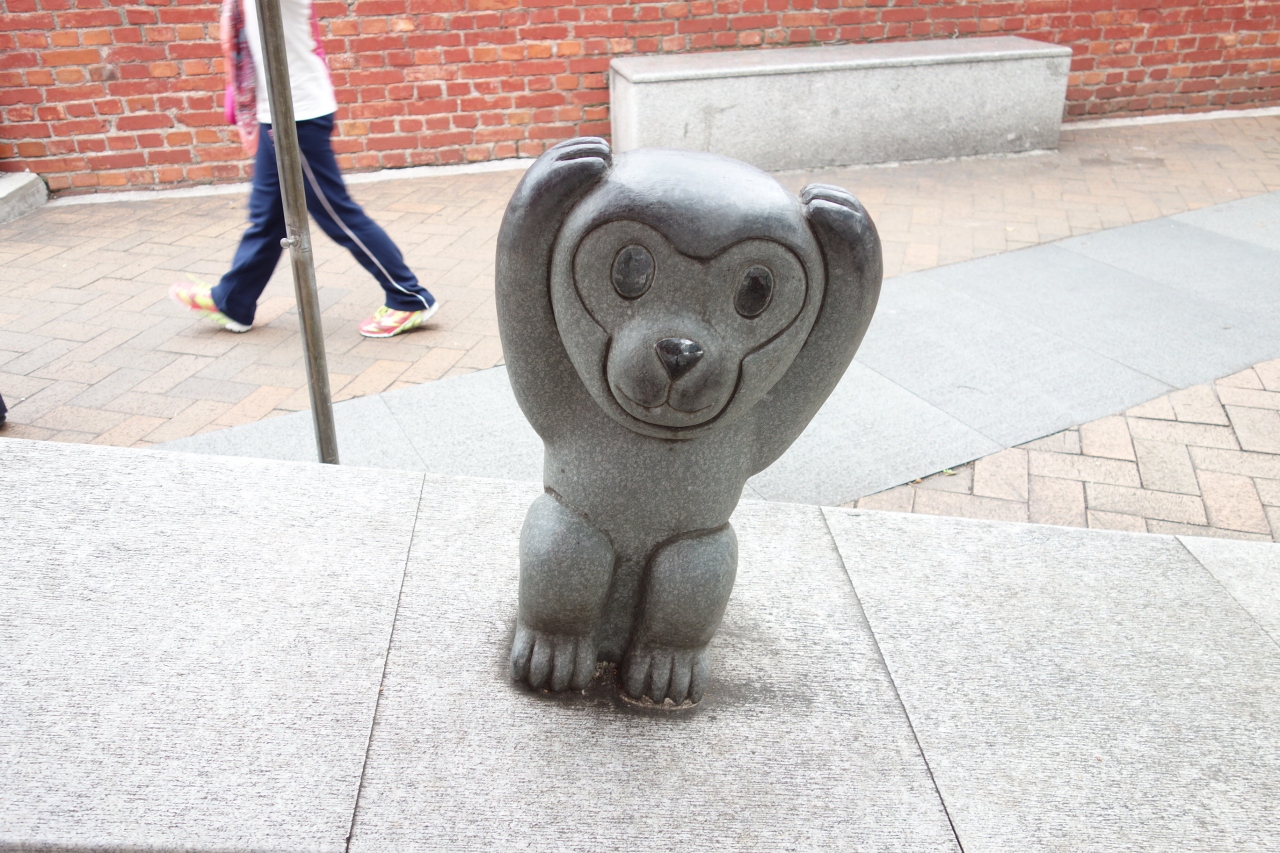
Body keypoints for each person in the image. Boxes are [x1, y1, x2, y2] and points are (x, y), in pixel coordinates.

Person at [170, 0, 438, 338]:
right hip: (275, 113)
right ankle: (233, 301)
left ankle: (409, 296)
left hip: (298, 116)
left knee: (336, 214)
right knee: (268, 217)